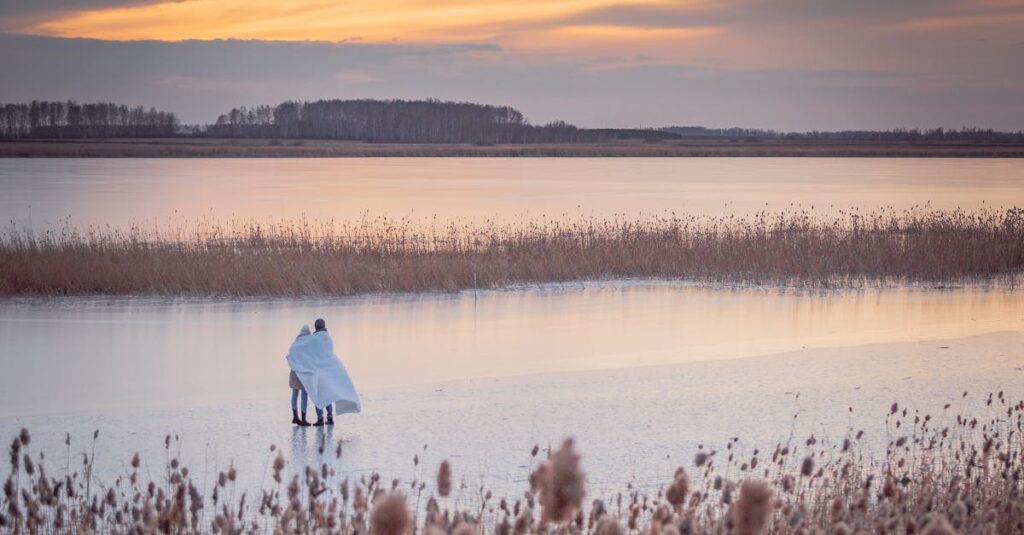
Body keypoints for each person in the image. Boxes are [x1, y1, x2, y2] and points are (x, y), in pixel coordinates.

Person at [286, 317, 361, 427]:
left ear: (316, 326)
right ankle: (330, 418)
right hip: (328, 369)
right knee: (328, 393)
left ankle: (320, 418)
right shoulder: (329, 339)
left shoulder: (312, 339)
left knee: (320, 395)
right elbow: (327, 353)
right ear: (324, 325)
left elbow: (300, 350)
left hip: (318, 371)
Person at [289, 325, 312, 426]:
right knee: (304, 395)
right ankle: (303, 419)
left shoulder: (295, 342)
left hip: (294, 371)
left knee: (295, 394)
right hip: (303, 372)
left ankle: (295, 416)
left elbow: (291, 355)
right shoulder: (307, 343)